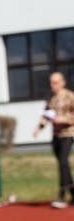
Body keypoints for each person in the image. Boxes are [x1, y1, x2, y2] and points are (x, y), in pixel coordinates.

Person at [33, 72, 74, 209]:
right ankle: (72, 193)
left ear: (62, 82)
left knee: (63, 161)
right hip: (56, 135)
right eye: (51, 82)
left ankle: (61, 195)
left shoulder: (70, 96)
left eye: (55, 82)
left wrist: (63, 119)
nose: (52, 85)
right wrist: (39, 128)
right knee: (63, 165)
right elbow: (46, 114)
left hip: (68, 134)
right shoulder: (51, 98)